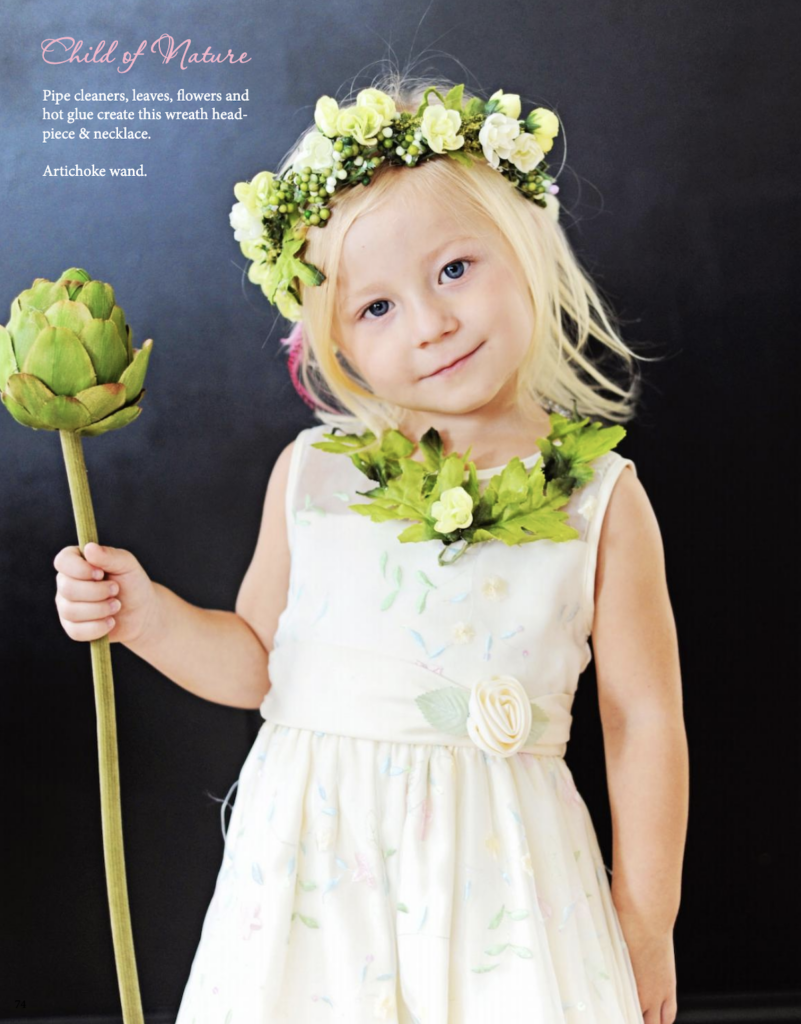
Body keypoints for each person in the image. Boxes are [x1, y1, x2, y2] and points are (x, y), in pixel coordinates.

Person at [52, 72, 687, 1023]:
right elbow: (256, 663)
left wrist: (644, 919)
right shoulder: (315, 477)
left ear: (526, 247)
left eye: (455, 270)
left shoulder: (600, 499)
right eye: (375, 308)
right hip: (317, 879)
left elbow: (640, 718)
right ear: (334, 344)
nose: (429, 324)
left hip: (500, 878)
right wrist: (145, 616)